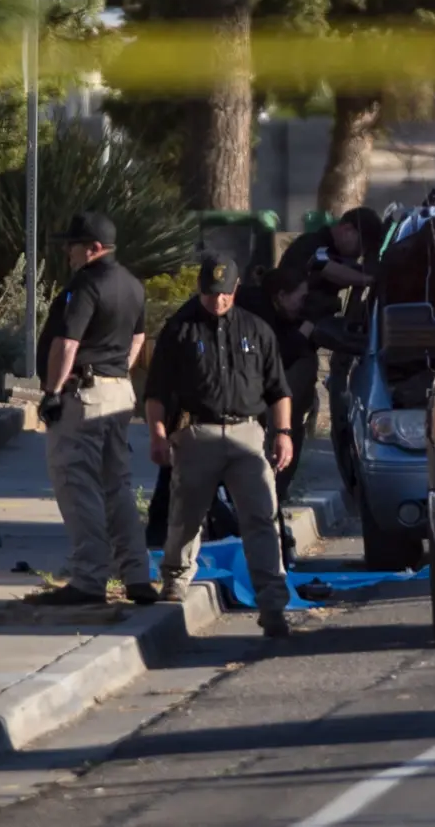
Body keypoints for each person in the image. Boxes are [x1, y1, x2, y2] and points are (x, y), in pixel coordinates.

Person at [144, 254, 297, 638]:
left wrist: (283, 433)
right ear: (200, 290)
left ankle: (273, 604)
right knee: (186, 516)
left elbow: (279, 390)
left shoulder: (257, 330)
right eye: (212, 295)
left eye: (225, 294)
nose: (219, 302)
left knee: (261, 518)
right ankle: (175, 580)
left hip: (247, 434)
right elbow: (156, 392)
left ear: (236, 288)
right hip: (197, 435)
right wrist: (158, 434)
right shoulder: (180, 330)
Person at [33, 212, 158, 606]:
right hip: (118, 392)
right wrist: (118, 368)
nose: (68, 252)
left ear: (93, 248)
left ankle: (89, 577)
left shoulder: (86, 284)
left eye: (72, 245)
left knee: (77, 483)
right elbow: (139, 338)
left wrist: (53, 392)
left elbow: (66, 344)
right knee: (115, 486)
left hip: (83, 395)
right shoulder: (133, 285)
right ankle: (136, 573)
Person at [277, 207, 382, 492]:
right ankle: (272, 490)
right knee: (285, 419)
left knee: (294, 418)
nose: (356, 255)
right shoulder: (314, 245)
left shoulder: (332, 251)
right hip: (286, 341)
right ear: (347, 229)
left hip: (302, 344)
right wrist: (367, 279)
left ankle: (278, 490)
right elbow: (326, 268)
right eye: (359, 246)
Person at [236, 265, 317, 566]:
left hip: (252, 410)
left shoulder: (273, 312)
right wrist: (307, 328)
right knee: (257, 483)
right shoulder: (257, 315)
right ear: (281, 296)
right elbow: (278, 359)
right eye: (300, 297)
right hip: (239, 412)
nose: (302, 304)